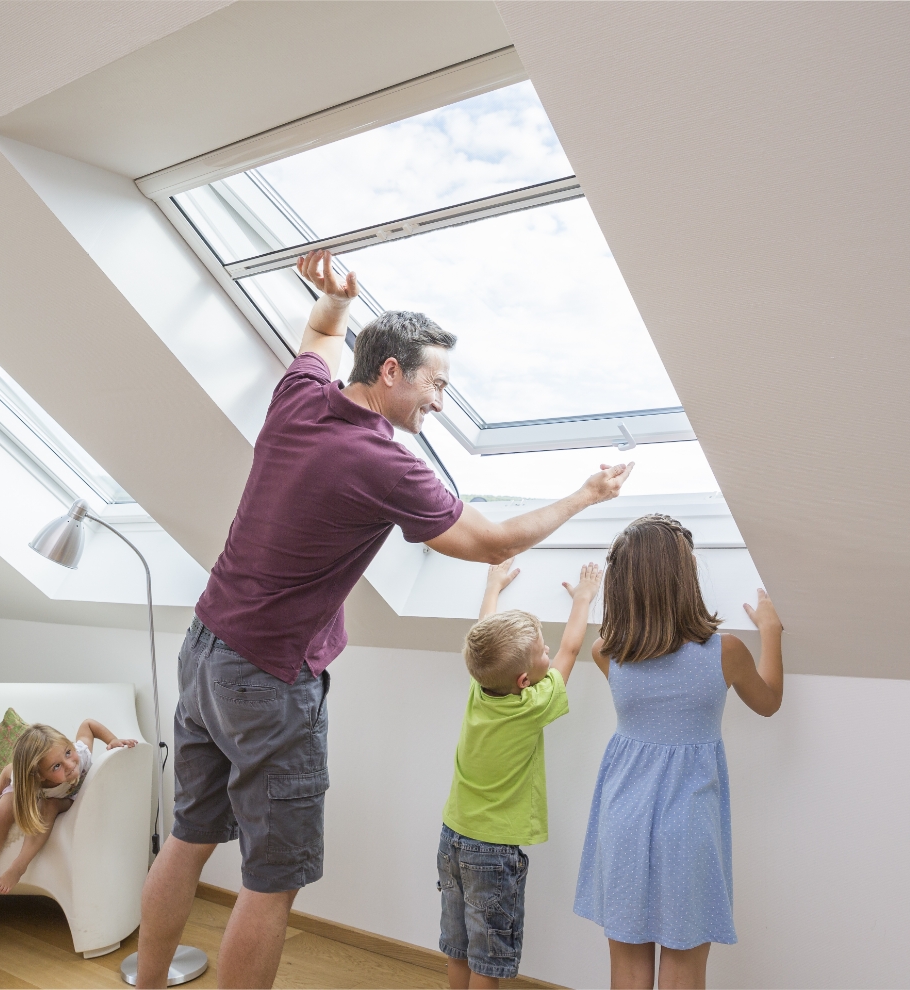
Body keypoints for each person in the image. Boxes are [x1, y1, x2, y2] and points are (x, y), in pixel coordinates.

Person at [136, 249, 633, 989]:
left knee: (187, 836)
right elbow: (489, 542)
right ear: (393, 372)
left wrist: (334, 301)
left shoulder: (302, 399)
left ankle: (147, 980)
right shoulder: (383, 462)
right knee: (271, 881)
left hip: (205, 646)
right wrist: (585, 497)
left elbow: (316, 342)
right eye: (436, 383)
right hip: (268, 678)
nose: (440, 402)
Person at [572, 514, 783, 989]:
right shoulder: (725, 652)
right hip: (690, 825)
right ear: (684, 577)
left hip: (622, 817)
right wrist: (770, 631)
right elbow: (768, 702)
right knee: (684, 964)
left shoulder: (607, 651)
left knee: (627, 965)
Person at [438, 558, 601, 988]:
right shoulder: (532, 706)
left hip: (452, 837)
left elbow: (483, 633)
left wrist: (493, 586)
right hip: (492, 852)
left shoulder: (480, 687)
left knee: (459, 949)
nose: (549, 651)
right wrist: (583, 599)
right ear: (526, 679)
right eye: (540, 651)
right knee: (488, 964)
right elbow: (571, 650)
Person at [0, 719, 138, 913]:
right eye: (56, 767)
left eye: (68, 753)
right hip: (33, 790)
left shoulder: (81, 755)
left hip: (63, 799)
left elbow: (88, 725)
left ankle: (19, 866)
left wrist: (112, 740)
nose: (70, 765)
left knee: (49, 805)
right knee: (4, 810)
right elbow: (7, 771)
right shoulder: (28, 779)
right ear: (41, 775)